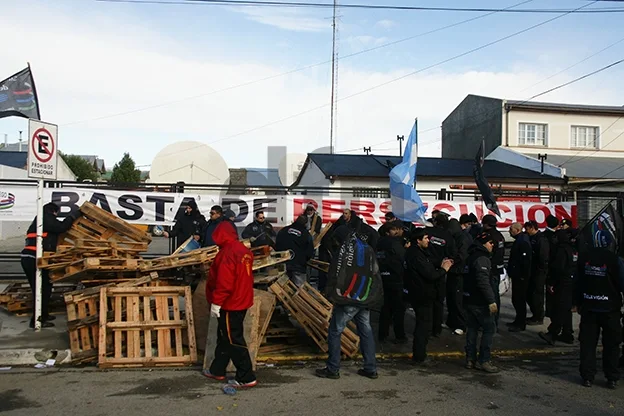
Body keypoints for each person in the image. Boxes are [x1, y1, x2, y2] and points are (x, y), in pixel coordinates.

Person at [316, 229, 380, 380]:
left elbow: (338, 273)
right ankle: (370, 368)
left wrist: (334, 294)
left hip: (349, 298)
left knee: (335, 330)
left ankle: (333, 368)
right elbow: (374, 272)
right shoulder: (367, 249)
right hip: (364, 297)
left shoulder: (345, 251)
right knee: (365, 330)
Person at [203, 222, 257, 388]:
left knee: (233, 339)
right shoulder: (243, 251)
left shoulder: (227, 253)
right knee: (225, 336)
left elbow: (224, 282)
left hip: (230, 303)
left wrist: (216, 302)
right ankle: (217, 369)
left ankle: (246, 376)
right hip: (241, 300)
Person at [574, 230, 624, 389]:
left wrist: (577, 302)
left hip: (589, 307)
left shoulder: (584, 258)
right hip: (610, 308)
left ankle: (587, 376)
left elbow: (577, 282)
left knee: (587, 344)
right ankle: (612, 377)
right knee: (612, 345)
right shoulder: (615, 260)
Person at [21, 203, 80, 328]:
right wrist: (72, 216)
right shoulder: (44, 218)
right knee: (41, 290)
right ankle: (36, 321)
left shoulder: (42, 219)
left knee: (46, 288)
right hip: (33, 259)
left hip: (36, 259)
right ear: (54, 211)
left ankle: (43, 315)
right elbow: (61, 227)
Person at [405, 228, 453, 364]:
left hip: (421, 293)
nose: (428, 241)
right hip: (422, 294)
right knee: (423, 327)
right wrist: (444, 269)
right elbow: (430, 274)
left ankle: (420, 354)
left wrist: (440, 264)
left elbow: (430, 263)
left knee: (424, 325)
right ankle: (419, 356)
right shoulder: (415, 255)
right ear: (418, 240)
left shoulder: (418, 252)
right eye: (425, 238)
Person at [463, 231, 499, 373]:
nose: (492, 246)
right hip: (480, 301)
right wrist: (491, 301)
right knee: (489, 329)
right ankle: (484, 360)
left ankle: (470, 359)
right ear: (484, 244)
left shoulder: (470, 256)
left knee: (472, 329)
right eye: (491, 243)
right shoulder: (482, 258)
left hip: (469, 298)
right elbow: (483, 281)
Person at [539, 229, 575, 345]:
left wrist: (551, 282)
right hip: (571, 280)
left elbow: (557, 268)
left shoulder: (561, 250)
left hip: (562, 282)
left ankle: (552, 333)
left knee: (560, 309)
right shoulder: (572, 249)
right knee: (566, 309)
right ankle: (567, 333)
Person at [427, 213, 457, 337]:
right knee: (438, 302)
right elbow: (453, 254)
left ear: (435, 222)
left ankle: (427, 327)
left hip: (426, 267)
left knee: (426, 301)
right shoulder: (448, 237)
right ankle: (436, 329)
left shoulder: (427, 232)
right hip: (441, 270)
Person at [376, 223, 407, 344]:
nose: (398, 231)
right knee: (399, 308)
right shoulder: (394, 243)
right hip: (396, 277)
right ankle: (400, 335)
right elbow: (402, 257)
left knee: (386, 306)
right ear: (387, 232)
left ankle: (382, 334)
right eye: (394, 229)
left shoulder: (380, 242)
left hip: (384, 276)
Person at [507, 222, 533, 332]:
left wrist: (523, 275)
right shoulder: (519, 240)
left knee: (519, 300)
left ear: (517, 230)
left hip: (521, 276)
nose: (509, 232)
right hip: (517, 275)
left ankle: (520, 323)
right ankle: (518, 320)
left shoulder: (523, 242)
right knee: (516, 299)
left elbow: (526, 261)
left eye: (511, 230)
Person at [275, 215, 314, 287]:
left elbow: (276, 246)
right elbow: (310, 252)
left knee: (282, 289)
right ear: (306, 224)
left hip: (282, 265)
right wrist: (304, 260)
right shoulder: (306, 234)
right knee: (299, 291)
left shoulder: (283, 231)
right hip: (298, 266)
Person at [446, 218, 470, 335]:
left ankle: (461, 324)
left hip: (459, 272)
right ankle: (451, 321)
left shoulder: (462, 238)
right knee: (451, 298)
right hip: (454, 271)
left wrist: (451, 261)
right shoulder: (456, 237)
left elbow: (462, 255)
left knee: (457, 299)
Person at [481, 214, 505, 330]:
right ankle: (493, 321)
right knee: (495, 296)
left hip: (490, 270)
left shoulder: (488, 237)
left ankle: (490, 323)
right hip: (497, 269)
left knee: (489, 296)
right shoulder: (499, 235)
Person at [525, 220, 550, 325]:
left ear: (532, 228)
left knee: (537, 295)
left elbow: (543, 257)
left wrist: (540, 270)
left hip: (538, 272)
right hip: (532, 271)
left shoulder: (541, 239)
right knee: (530, 294)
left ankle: (538, 316)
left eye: (527, 229)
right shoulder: (531, 238)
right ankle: (535, 314)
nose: (526, 231)